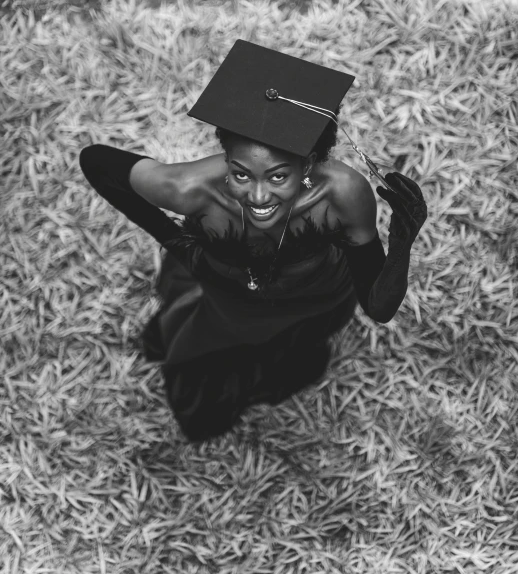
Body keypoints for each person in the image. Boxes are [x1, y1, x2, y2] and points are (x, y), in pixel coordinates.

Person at [79, 39, 427, 442]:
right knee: (207, 354)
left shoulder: (343, 194)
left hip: (317, 299)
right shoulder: (189, 188)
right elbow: (96, 163)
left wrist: (401, 242)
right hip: (231, 299)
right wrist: (173, 240)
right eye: (241, 174)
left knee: (299, 345)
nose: (258, 197)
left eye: (278, 176)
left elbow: (379, 307)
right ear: (226, 158)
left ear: (310, 164)